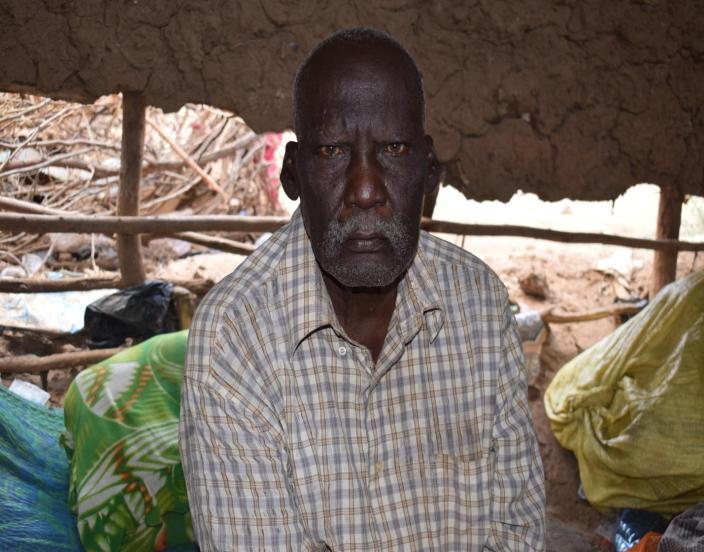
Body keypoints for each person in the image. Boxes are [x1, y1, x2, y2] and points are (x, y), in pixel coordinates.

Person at [180, 27, 545, 551]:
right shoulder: (235, 338)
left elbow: (519, 536)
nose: (367, 190)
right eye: (332, 150)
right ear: (292, 175)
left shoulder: (478, 305)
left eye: (394, 149)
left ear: (428, 170)